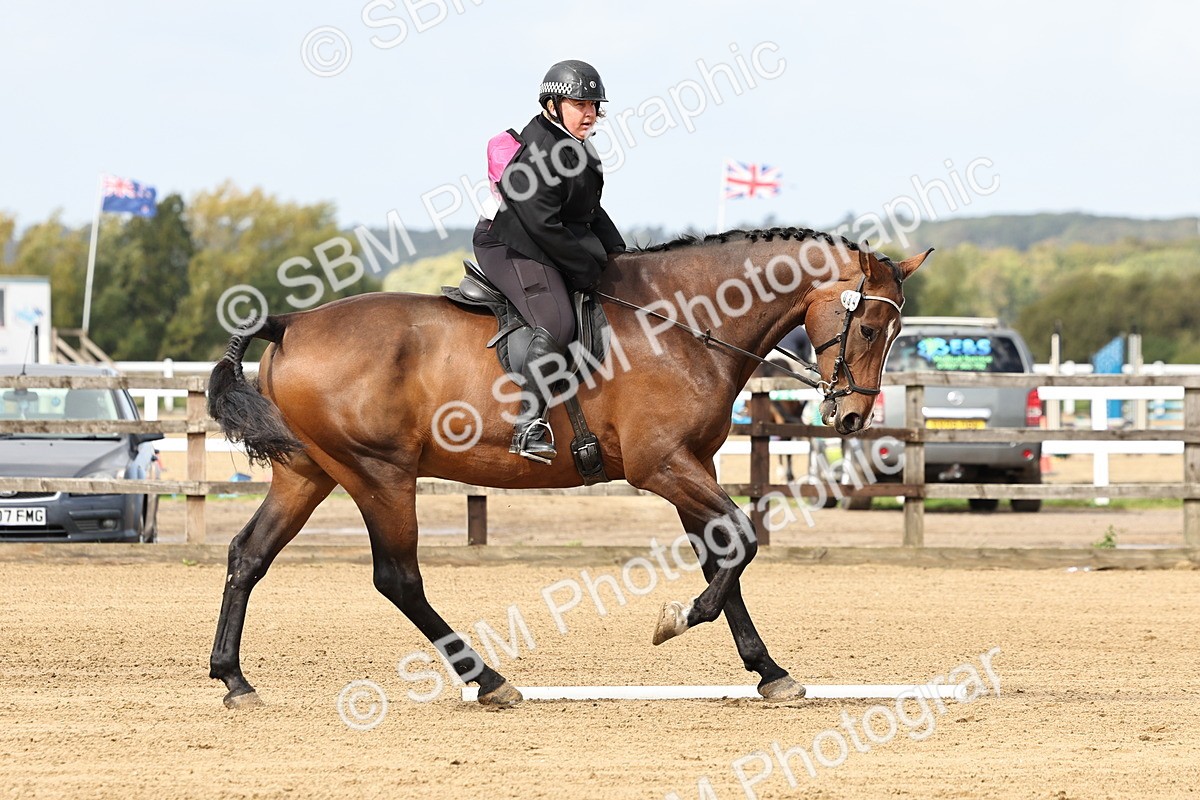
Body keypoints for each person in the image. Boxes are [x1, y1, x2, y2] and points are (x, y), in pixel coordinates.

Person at [472, 59, 626, 464]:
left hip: (542, 237)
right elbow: (540, 223)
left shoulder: (577, 146)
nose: (590, 112)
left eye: (594, 104)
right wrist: (586, 267)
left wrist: (624, 259)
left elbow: (591, 213)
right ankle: (528, 424)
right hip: (510, 243)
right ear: (553, 105)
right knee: (557, 321)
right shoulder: (541, 148)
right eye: (580, 103)